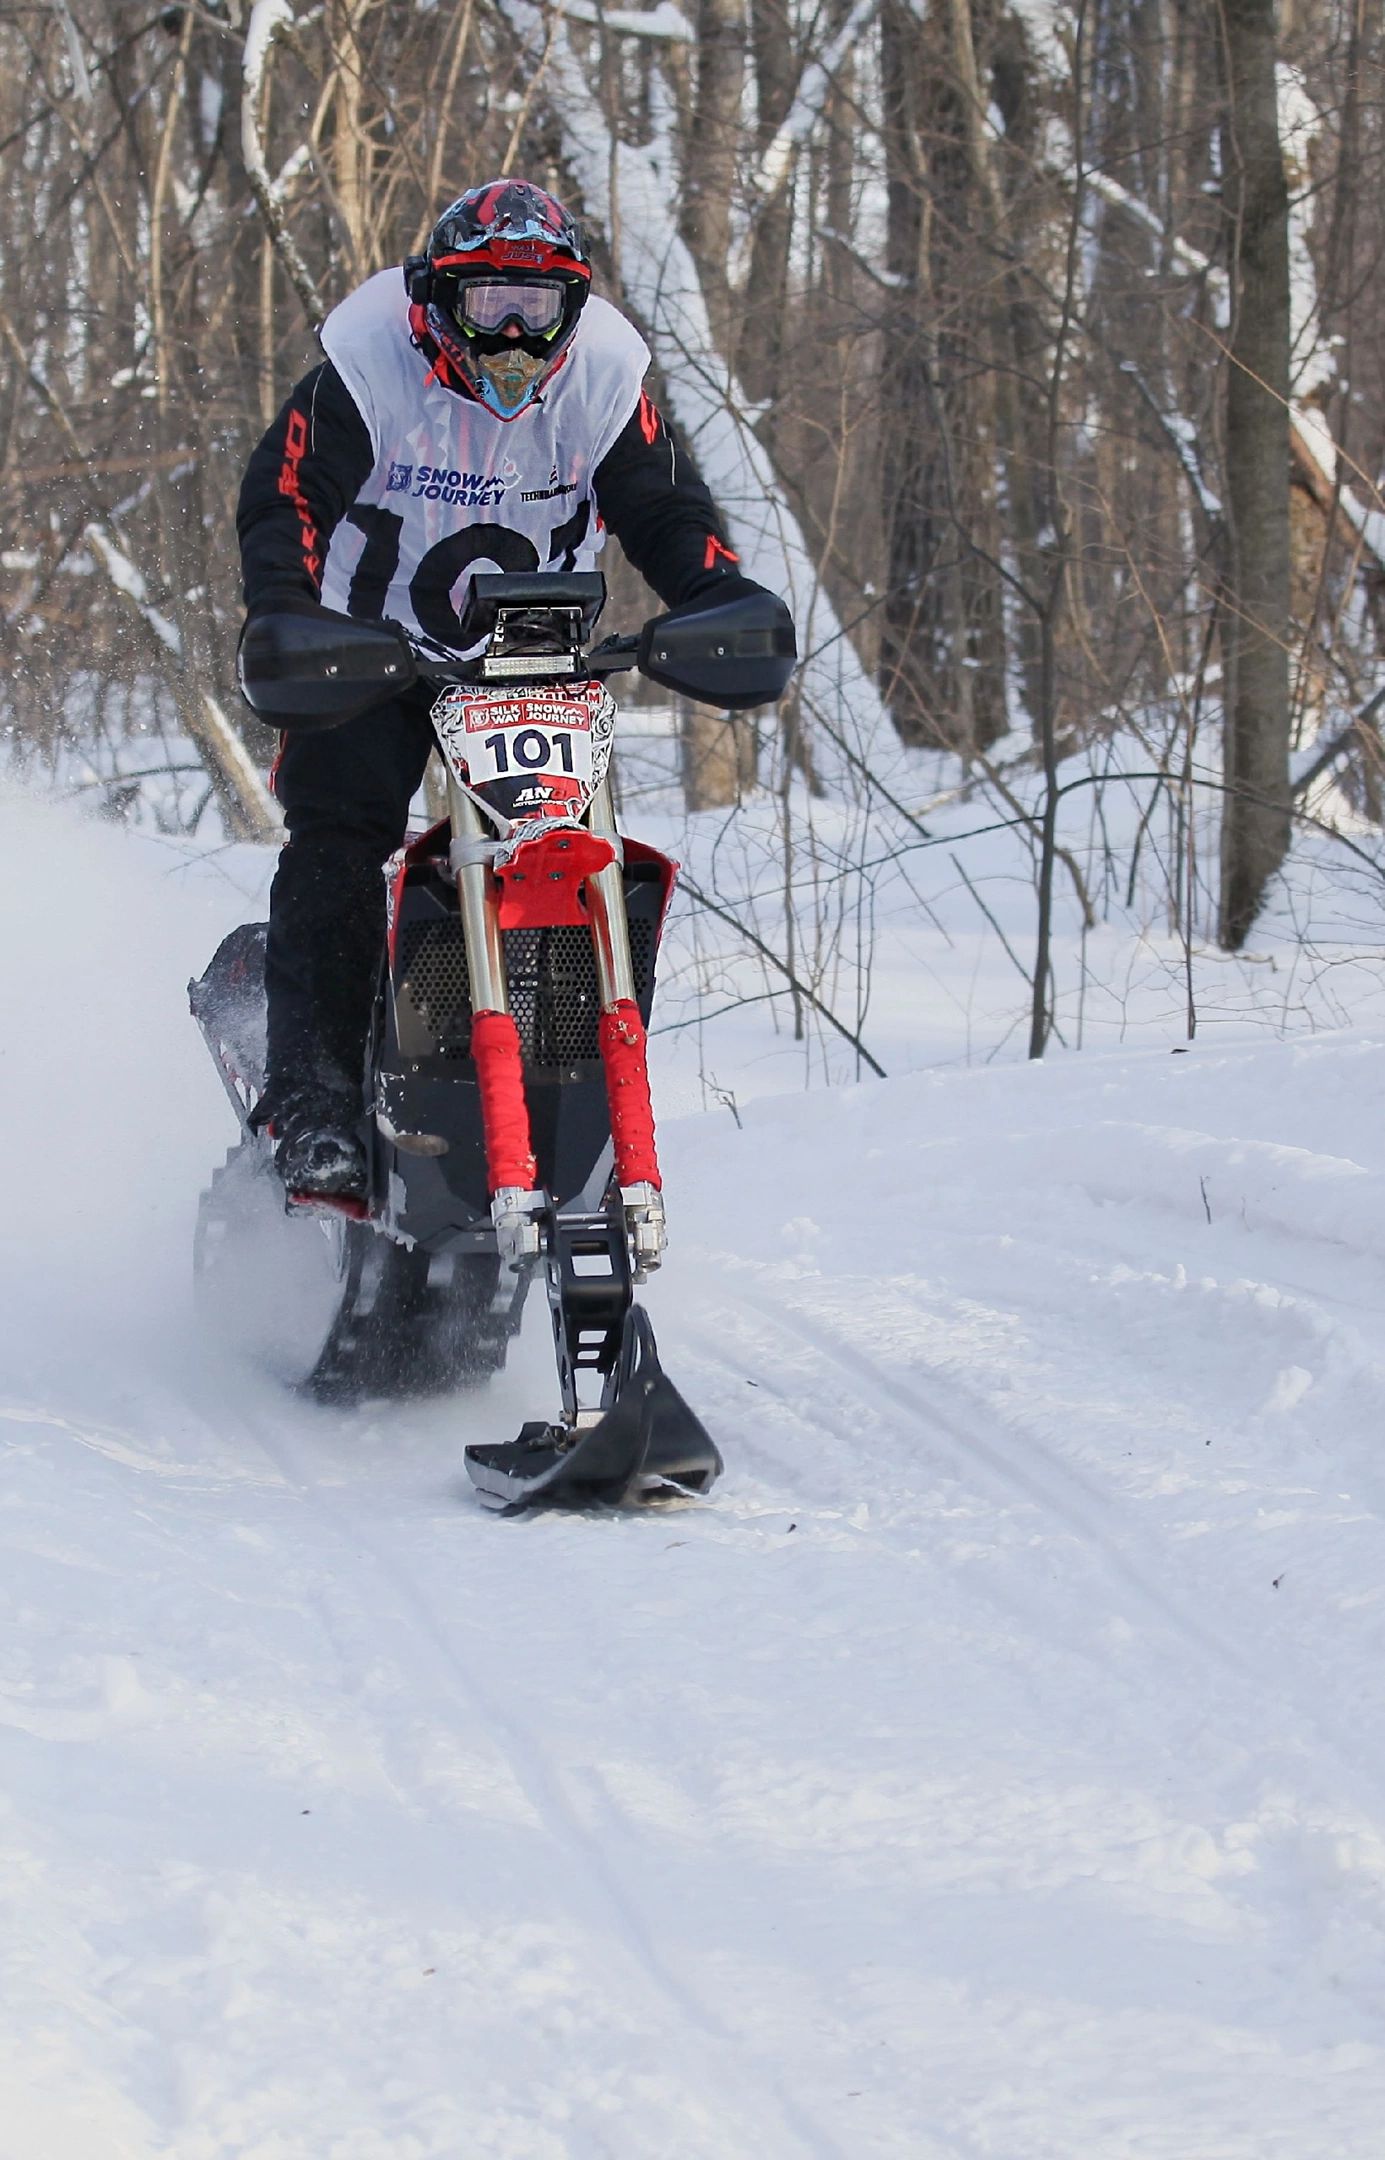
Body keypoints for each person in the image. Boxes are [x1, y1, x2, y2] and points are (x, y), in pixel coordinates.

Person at [237, 177, 774, 1200]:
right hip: (373, 650)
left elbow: (663, 510)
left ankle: (566, 1100)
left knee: (571, 854)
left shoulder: (606, 380)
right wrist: (284, 608)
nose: (516, 337)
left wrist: (719, 593)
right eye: (489, 306)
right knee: (339, 832)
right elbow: (285, 495)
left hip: (540, 661)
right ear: (440, 301)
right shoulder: (368, 365)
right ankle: (311, 1104)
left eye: (541, 309)